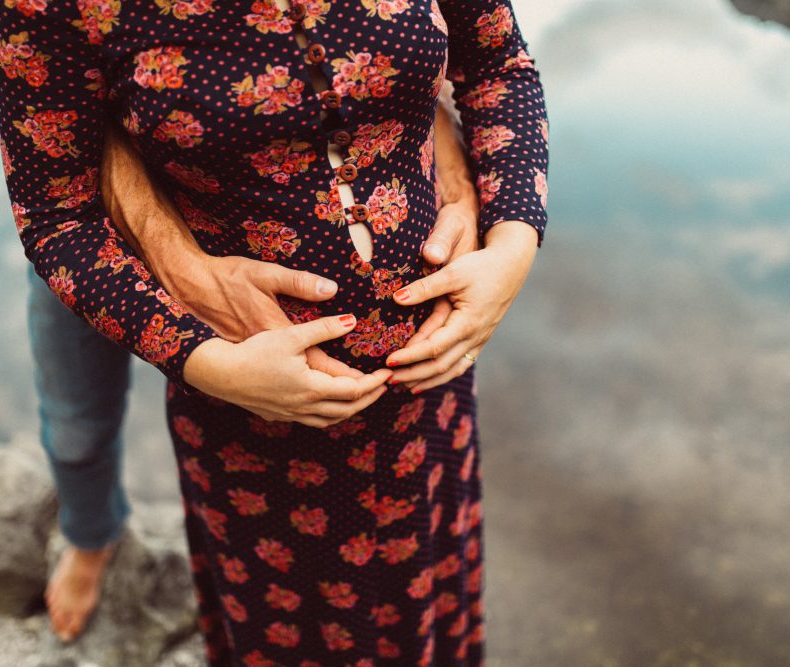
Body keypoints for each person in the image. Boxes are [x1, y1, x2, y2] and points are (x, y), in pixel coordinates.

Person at [0, 0, 547, 662]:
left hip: (428, 393)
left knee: (425, 616)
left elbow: (497, 64)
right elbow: (58, 213)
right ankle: (92, 533)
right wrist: (201, 359)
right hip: (252, 420)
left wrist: (513, 240)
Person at [35, 96, 485, 643]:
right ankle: (89, 536)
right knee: (76, 420)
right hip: (105, 202)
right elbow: (54, 190)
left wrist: (466, 195)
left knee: (419, 579)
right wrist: (184, 283)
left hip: (412, 414)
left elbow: (461, 57)